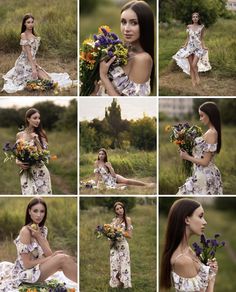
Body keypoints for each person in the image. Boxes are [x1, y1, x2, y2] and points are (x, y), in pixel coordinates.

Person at [0, 197, 77, 291]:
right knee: (62, 258)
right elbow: (27, 264)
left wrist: (39, 237)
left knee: (63, 258)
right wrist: (51, 258)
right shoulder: (25, 232)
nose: (39, 215)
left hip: (37, 270)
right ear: (29, 211)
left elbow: (49, 254)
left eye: (42, 211)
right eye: (35, 211)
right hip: (26, 274)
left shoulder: (43, 230)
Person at [2, 13, 73, 94]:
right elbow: (28, 53)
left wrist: (35, 64)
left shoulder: (34, 35)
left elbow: (30, 52)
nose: (31, 24)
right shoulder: (23, 35)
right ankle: (48, 86)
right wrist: (33, 68)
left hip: (32, 60)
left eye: (32, 22)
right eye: (28, 22)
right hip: (23, 62)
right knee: (39, 75)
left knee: (48, 77)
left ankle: (48, 85)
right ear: (24, 23)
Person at [95, 0, 155, 96]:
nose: (126, 29)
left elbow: (127, 104)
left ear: (145, 25)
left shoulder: (143, 59)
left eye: (134, 23)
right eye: (123, 22)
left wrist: (103, 76)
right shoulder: (120, 49)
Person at [160, 198, 218, 292]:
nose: (205, 222)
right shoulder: (183, 261)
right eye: (200, 216)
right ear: (187, 219)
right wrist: (211, 279)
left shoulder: (188, 250)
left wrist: (210, 270)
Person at [177, 101, 222, 195]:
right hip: (200, 172)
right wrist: (187, 149)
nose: (200, 119)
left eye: (202, 115)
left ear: (210, 115)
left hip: (205, 174)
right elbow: (201, 155)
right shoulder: (210, 131)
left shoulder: (212, 133)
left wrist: (186, 157)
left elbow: (205, 162)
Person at [16, 108, 52, 195]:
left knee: (43, 194)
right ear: (28, 119)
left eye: (39, 118)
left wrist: (36, 140)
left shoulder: (41, 134)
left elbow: (43, 155)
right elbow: (17, 154)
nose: (38, 121)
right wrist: (17, 162)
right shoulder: (20, 135)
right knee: (28, 193)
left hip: (40, 172)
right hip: (26, 172)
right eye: (35, 118)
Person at [172, 12, 211, 87]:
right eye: (193, 17)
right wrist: (184, 45)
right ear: (192, 18)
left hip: (198, 48)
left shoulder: (201, 27)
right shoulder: (189, 26)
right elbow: (188, 37)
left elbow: (202, 38)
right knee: (191, 65)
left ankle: (197, 76)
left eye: (196, 17)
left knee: (194, 64)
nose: (195, 18)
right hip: (189, 48)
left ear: (198, 18)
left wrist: (204, 46)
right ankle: (193, 82)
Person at [109, 201, 132, 288]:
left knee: (124, 264)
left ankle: (124, 283)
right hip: (114, 245)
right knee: (114, 264)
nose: (119, 210)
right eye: (117, 209)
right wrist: (110, 235)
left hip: (123, 245)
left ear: (123, 208)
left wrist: (120, 232)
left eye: (121, 208)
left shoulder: (128, 219)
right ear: (115, 211)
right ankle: (117, 282)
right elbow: (110, 233)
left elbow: (130, 235)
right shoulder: (113, 221)